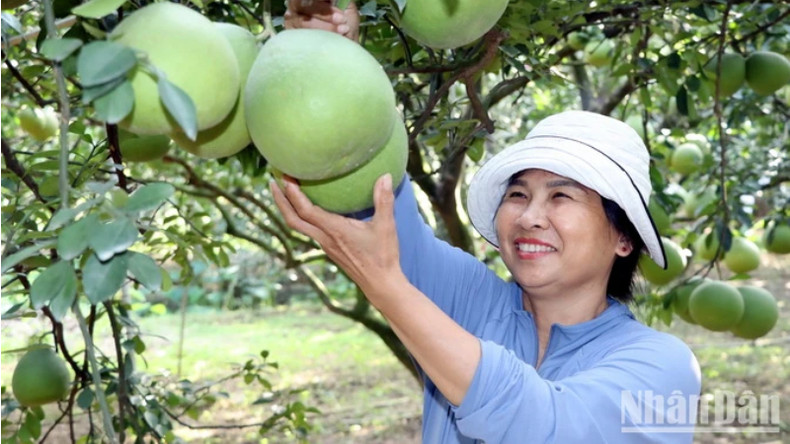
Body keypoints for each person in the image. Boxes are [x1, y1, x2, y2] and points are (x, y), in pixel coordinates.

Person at [275, 3, 702, 443]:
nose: (529, 217)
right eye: (518, 195)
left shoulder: (663, 367)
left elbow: (543, 424)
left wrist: (388, 289)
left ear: (623, 239)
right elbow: (370, 200)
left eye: (561, 196)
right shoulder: (472, 302)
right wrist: (330, 61)